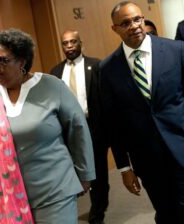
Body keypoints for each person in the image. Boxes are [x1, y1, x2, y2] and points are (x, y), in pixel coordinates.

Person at [0, 28, 95, 224]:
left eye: (2, 60)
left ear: (22, 62)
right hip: (8, 196)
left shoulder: (52, 87)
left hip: (55, 192)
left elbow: (78, 130)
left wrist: (85, 174)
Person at [100, 1, 184, 223]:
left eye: (137, 19)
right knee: (165, 213)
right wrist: (124, 167)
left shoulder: (176, 51)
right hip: (146, 158)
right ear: (115, 28)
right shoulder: (108, 69)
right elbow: (113, 123)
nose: (134, 25)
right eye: (125, 23)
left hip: (181, 146)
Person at [50, 30, 109, 224]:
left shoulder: (95, 65)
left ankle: (97, 214)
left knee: (97, 171)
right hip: (68, 129)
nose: (69, 46)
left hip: (93, 127)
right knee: (72, 170)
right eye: (65, 43)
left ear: (80, 43)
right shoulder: (56, 72)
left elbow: (103, 98)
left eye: (73, 42)